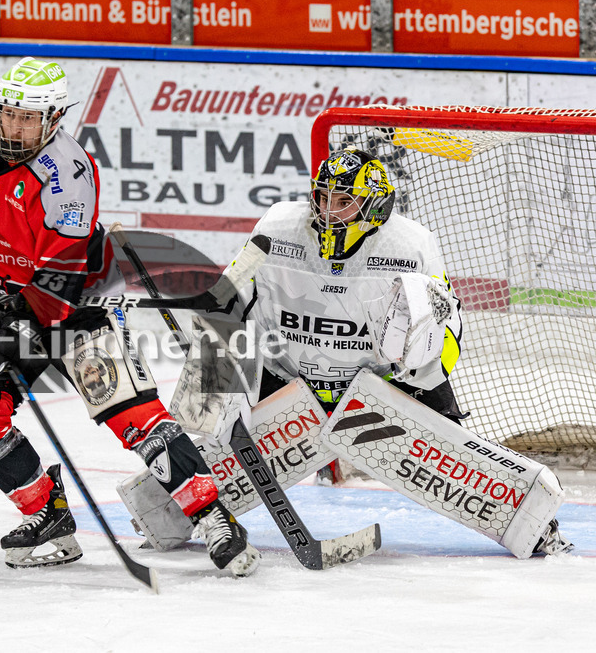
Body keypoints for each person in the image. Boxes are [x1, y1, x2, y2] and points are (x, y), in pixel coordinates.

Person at [0, 57, 260, 576]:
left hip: (78, 302)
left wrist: (19, 313)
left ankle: (212, 515)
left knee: (131, 415)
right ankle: (48, 514)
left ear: (54, 119)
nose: (14, 126)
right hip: (9, 301)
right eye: (8, 113)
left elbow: (59, 280)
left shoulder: (69, 175)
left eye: (29, 118)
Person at [211, 145, 572, 556]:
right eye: (323, 196)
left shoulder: (410, 245)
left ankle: (535, 524)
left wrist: (415, 376)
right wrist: (223, 374)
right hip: (286, 372)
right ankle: (198, 511)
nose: (328, 210)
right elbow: (227, 298)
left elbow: (447, 329)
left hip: (380, 379)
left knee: (454, 456)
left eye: (344, 201)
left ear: (375, 204)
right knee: (217, 435)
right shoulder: (277, 227)